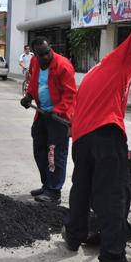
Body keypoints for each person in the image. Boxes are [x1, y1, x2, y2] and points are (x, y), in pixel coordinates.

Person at [63, 25, 131, 262]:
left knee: (82, 189)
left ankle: (74, 235)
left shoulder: (98, 72)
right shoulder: (121, 57)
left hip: (82, 139)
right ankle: (112, 256)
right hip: (105, 134)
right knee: (113, 195)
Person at [20, 39, 76, 204]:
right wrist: (29, 96)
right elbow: (34, 82)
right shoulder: (35, 62)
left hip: (58, 117)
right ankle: (47, 185)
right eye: (41, 54)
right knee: (39, 150)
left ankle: (54, 191)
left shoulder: (63, 66)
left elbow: (70, 94)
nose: (45, 56)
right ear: (35, 54)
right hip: (42, 114)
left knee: (55, 153)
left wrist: (58, 110)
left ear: (50, 48)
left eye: (47, 52)